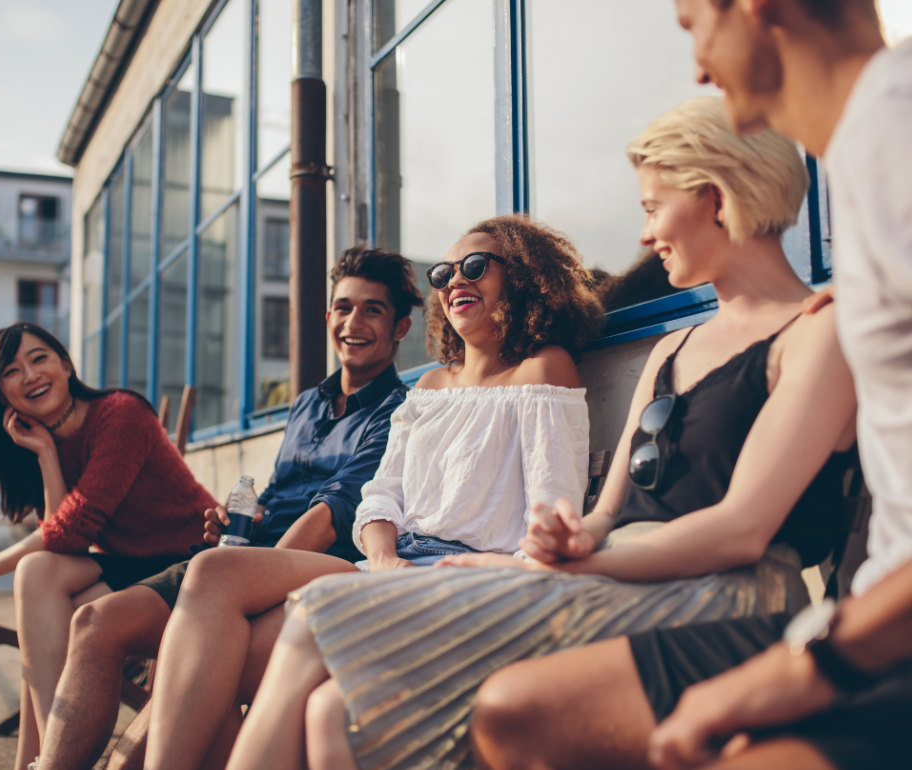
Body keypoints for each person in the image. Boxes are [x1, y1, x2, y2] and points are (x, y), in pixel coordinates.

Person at [222, 96, 860, 770]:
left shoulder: (815, 333)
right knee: (330, 707)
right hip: (613, 573)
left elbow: (741, 531)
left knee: (315, 626)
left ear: (717, 198)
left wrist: (564, 561)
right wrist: (568, 538)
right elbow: (607, 511)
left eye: (651, 208)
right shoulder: (675, 348)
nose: (644, 236)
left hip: (715, 588)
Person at [468, 3, 912, 770]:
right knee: (510, 712)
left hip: (871, 645)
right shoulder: (869, 167)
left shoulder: (894, 144)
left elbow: (744, 528)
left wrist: (810, 668)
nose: (699, 66)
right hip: (867, 624)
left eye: (691, 24)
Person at [104, 214, 603, 770]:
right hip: (386, 566)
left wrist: (460, 571)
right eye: (444, 273)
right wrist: (386, 558)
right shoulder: (432, 385)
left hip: (465, 579)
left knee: (217, 659)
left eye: (475, 267)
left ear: (523, 278)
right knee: (211, 576)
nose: (455, 280)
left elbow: (552, 517)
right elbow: (379, 498)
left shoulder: (543, 370)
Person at [34, 246, 422, 770]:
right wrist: (242, 514)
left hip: (309, 567)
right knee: (94, 625)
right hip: (236, 558)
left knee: (187, 651)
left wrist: (250, 576)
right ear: (328, 316)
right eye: (344, 307)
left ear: (400, 328)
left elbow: (331, 511)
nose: (354, 322)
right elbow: (283, 492)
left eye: (372, 310)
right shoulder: (307, 403)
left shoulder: (397, 410)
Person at [0, 322, 217, 770]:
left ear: (65, 365)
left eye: (39, 358)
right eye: (12, 370)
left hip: (189, 559)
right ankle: (52, 754)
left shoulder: (119, 414)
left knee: (46, 616)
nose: (29, 375)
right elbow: (60, 541)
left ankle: (49, 758)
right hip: (130, 563)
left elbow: (71, 532)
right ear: (1, 392)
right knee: (36, 578)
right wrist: (47, 453)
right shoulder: (44, 438)